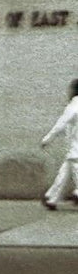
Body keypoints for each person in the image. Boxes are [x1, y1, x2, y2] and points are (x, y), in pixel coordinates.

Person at [40, 78, 78, 210]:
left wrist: (47, 139)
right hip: (73, 151)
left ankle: (57, 197)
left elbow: (60, 125)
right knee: (63, 174)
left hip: (75, 150)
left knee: (72, 173)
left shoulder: (73, 107)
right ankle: (52, 198)